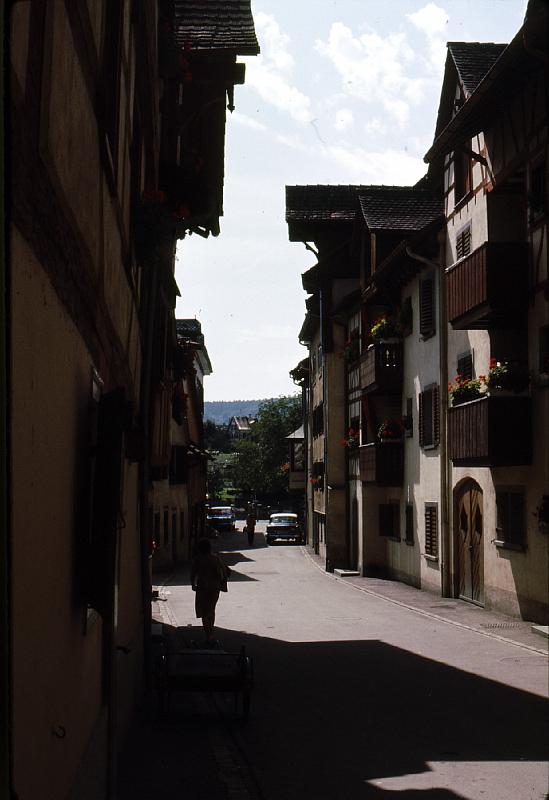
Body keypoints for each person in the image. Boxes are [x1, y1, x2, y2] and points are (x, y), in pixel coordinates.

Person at [190, 538, 230, 645]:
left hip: (202, 588)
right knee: (211, 610)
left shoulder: (198, 559)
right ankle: (210, 634)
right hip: (214, 588)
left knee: (204, 612)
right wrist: (222, 583)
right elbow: (225, 571)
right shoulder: (215, 558)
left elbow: (193, 573)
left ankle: (208, 635)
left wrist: (193, 584)